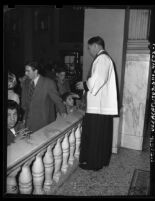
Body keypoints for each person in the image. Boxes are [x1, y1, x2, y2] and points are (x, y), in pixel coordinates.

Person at [76, 36, 118, 171]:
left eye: (89, 48)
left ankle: (93, 163)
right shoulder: (104, 59)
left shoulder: (102, 59)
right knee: (101, 136)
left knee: (95, 136)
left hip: (97, 108)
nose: (89, 51)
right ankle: (101, 160)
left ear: (95, 46)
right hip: (100, 107)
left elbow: (98, 79)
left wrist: (84, 85)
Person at [21, 61, 66, 132]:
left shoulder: (48, 83)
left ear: (35, 71)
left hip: (43, 123)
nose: (25, 73)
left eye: (28, 71)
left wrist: (63, 113)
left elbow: (57, 100)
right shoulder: (26, 82)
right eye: (25, 71)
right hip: (28, 122)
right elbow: (26, 104)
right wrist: (24, 118)